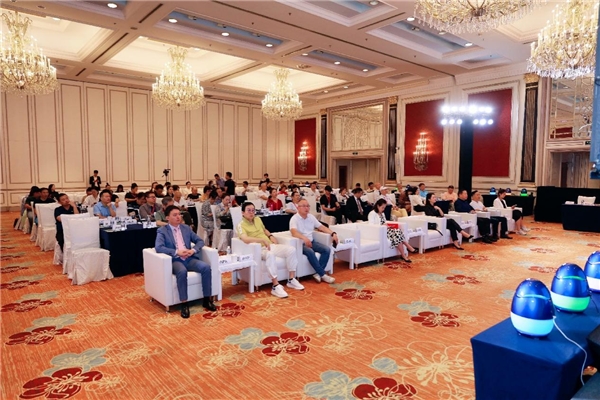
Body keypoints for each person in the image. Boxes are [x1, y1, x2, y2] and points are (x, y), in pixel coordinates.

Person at [155, 205, 216, 318]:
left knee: (206, 267)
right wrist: (176, 252)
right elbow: (159, 247)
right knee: (182, 271)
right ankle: (184, 303)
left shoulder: (186, 228)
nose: (178, 217)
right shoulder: (162, 231)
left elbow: (200, 241)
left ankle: (207, 300)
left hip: (189, 258)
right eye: (175, 215)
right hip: (175, 260)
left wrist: (193, 250)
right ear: (167, 218)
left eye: (179, 214)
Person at [237, 202, 304, 298]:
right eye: (249, 210)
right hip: (257, 249)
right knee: (270, 255)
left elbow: (264, 230)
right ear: (243, 212)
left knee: (291, 250)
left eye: (253, 210)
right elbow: (245, 239)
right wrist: (262, 240)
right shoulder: (241, 225)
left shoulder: (258, 219)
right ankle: (275, 286)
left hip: (269, 245)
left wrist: (271, 236)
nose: (251, 212)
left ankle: (291, 279)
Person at [290, 199, 337, 284]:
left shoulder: (311, 217)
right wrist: (304, 238)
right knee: (310, 252)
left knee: (326, 249)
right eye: (304, 206)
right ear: (298, 207)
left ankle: (318, 274)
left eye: (308, 206)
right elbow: (294, 232)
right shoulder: (294, 219)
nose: (306, 208)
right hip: (301, 244)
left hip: (311, 241)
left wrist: (333, 233)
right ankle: (323, 275)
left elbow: (322, 227)